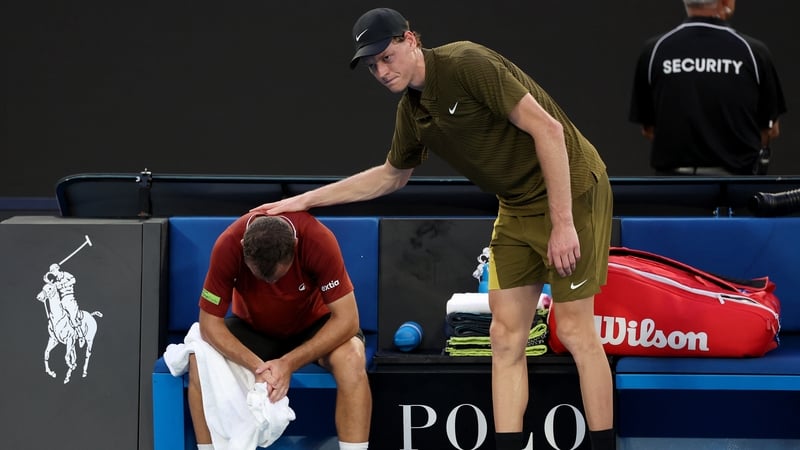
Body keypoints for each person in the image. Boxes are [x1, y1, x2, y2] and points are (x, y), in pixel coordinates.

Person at [256, 8, 615, 450]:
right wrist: (303, 200)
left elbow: (549, 131)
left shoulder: (466, 63)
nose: (382, 71)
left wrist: (563, 223)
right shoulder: (413, 112)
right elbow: (390, 176)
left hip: (573, 190)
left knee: (577, 331)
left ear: (410, 39)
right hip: (517, 206)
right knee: (504, 337)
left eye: (387, 57)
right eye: (372, 66)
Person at [187, 211, 372, 450]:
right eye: (260, 278)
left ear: (295, 246)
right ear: (243, 246)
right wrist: (256, 366)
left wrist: (289, 363)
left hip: (313, 327)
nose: (270, 285)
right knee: (198, 358)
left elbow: (348, 320)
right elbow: (209, 323)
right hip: (254, 330)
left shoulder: (316, 238)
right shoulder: (228, 243)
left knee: (352, 358)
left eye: (276, 277)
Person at [629, 0, 787, 176]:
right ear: (726, 2)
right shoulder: (754, 52)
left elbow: (649, 129)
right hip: (737, 189)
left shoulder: (654, 51)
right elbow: (770, 129)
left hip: (671, 190)